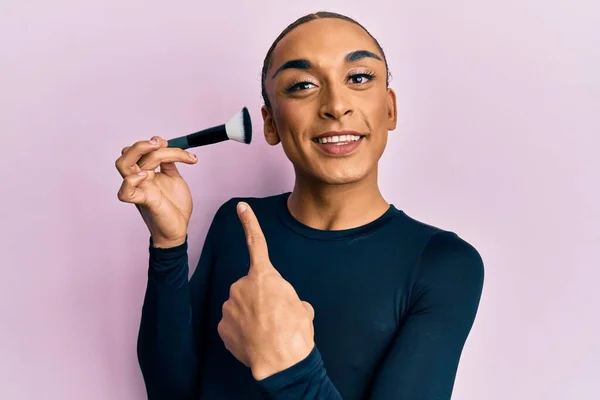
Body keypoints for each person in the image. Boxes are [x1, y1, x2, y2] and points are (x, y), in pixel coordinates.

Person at [115, 11, 485, 400]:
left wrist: (289, 369)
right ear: (271, 123)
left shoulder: (445, 264)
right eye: (303, 85)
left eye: (358, 78)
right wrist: (168, 246)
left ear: (389, 109)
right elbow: (169, 391)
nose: (336, 105)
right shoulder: (237, 222)